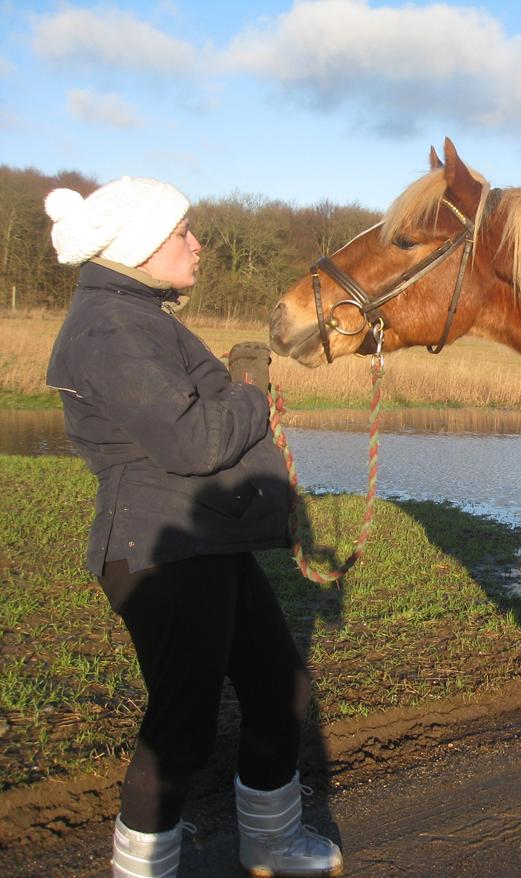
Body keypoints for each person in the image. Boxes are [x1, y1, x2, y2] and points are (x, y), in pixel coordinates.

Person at [43, 177, 343, 878]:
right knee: (181, 725)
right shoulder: (110, 327)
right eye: (183, 232)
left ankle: (270, 844)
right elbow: (195, 441)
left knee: (278, 686)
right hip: (160, 547)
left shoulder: (138, 314)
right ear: (138, 245)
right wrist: (251, 392)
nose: (197, 243)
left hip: (208, 540)